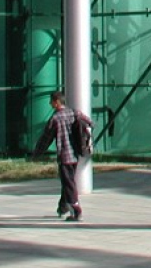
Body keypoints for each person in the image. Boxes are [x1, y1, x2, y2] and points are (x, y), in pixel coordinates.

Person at [32, 90, 91, 222]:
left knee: (68, 183)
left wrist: (36, 153)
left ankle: (76, 210)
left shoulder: (55, 118)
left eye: (51, 101)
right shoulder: (74, 112)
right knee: (68, 181)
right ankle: (63, 207)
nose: (50, 103)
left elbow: (45, 139)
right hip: (75, 154)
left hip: (64, 156)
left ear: (57, 102)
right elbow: (89, 123)